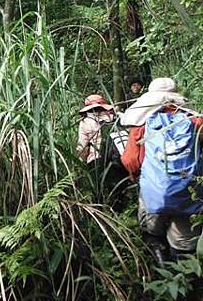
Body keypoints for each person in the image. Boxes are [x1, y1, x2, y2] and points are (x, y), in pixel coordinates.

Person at [121, 77, 203, 262]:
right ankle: (184, 280)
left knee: (152, 230)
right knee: (184, 242)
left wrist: (137, 176)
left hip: (153, 192)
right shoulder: (195, 121)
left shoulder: (141, 125)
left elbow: (130, 160)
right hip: (189, 192)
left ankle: (158, 267)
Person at [76, 94, 116, 164]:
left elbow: (82, 146)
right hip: (116, 156)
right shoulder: (113, 117)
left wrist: (82, 161)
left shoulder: (85, 122)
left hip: (96, 158)